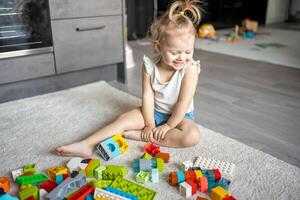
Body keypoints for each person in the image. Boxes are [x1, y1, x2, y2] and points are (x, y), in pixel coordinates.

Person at [56, 0, 202, 158]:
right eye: (175, 52)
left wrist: (168, 126)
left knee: (192, 136)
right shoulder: (149, 67)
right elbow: (147, 96)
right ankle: (86, 144)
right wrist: (149, 124)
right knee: (123, 119)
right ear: (159, 47)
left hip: (180, 117)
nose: (182, 58)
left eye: (188, 52)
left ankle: (142, 137)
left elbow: (183, 102)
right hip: (154, 112)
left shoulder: (190, 69)